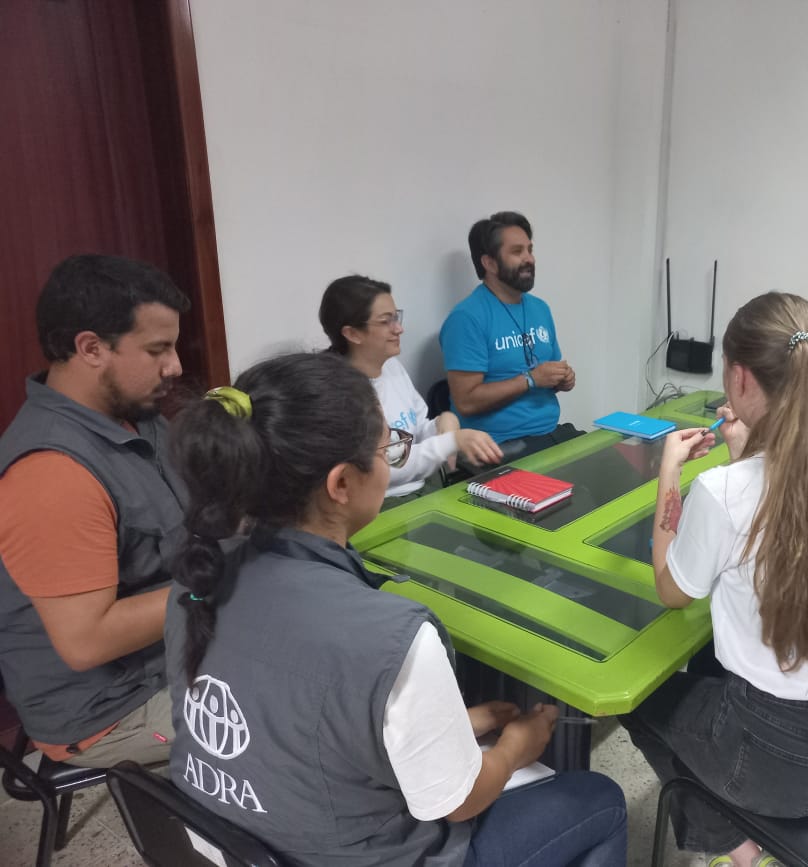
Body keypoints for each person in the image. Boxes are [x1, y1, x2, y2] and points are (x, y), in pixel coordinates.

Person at [165, 351, 626, 866]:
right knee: (599, 798)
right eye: (388, 449)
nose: (392, 461)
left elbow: (292, 716)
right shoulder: (391, 636)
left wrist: (455, 723)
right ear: (341, 484)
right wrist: (517, 746)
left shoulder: (196, 585)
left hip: (229, 845)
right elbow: (458, 802)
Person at [621, 293, 808, 867]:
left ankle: (741, 852)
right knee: (712, 665)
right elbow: (786, 522)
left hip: (784, 768)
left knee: (636, 698)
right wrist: (745, 457)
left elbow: (672, 590)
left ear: (739, 376)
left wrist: (670, 471)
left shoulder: (723, 492)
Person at [0, 254, 189, 767]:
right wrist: (221, 581)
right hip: (113, 709)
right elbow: (86, 641)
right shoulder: (51, 474)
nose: (175, 366)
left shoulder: (136, 417)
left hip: (175, 650)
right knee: (308, 711)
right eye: (158, 349)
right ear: (91, 348)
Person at [319, 274, 501, 500]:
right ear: (352, 333)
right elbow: (384, 467)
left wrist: (441, 423)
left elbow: (416, 431)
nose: (398, 329)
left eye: (396, 318)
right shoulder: (337, 391)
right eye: (385, 321)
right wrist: (450, 442)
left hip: (422, 487)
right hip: (381, 502)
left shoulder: (392, 367)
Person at [439, 211, 579, 457]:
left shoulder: (540, 308)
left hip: (550, 434)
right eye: (517, 252)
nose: (529, 259)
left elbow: (545, 377)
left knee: (617, 464)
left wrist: (561, 379)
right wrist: (531, 380)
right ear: (489, 263)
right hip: (499, 446)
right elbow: (466, 401)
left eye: (530, 250)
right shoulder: (467, 318)